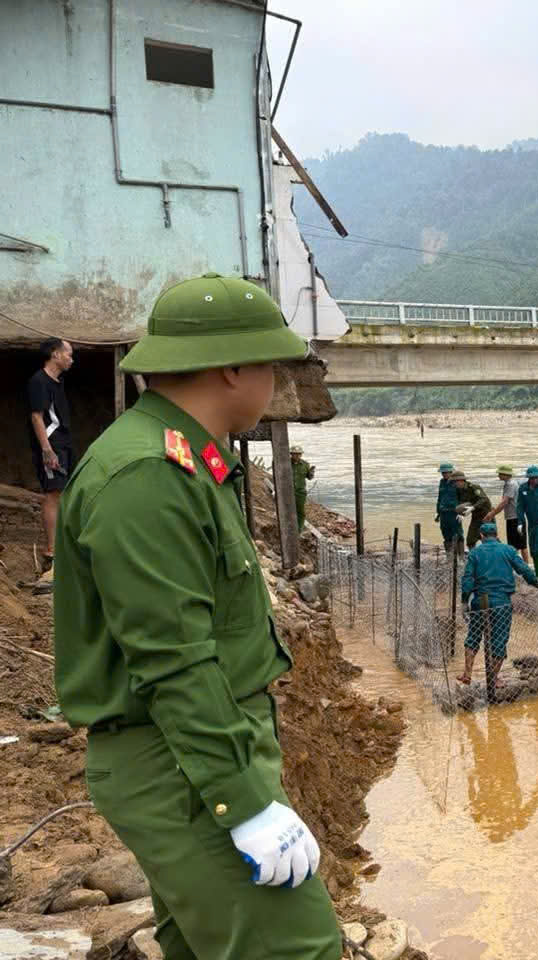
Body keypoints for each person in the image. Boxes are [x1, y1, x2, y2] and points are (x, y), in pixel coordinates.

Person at [53, 274, 340, 959]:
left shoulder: (183, 460)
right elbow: (175, 660)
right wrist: (243, 802)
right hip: (180, 763)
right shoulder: (147, 476)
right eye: (269, 364)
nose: (275, 380)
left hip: (194, 753)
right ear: (231, 368)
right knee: (296, 949)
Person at [459, 521, 538, 690]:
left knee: (473, 637)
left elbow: (467, 579)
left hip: (479, 600)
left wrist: (464, 601)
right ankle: (493, 679)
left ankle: (467, 674)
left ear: (481, 536)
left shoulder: (475, 553)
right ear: (497, 535)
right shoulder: (508, 550)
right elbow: (523, 569)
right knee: (499, 639)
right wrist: (536, 582)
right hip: (501, 602)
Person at [28, 337, 75, 573]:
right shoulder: (39, 381)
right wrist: (47, 450)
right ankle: (51, 551)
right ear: (55, 354)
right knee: (53, 493)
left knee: (63, 491)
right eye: (69, 354)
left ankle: (61, 546)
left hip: (63, 443)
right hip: (51, 446)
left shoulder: (58, 381)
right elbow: (36, 416)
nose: (71, 360)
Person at [486, 465, 526, 560]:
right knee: (520, 544)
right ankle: (523, 564)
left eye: (500, 473)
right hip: (516, 516)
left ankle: (522, 564)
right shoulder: (512, 483)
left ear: (506, 475)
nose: (498, 475)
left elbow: (504, 502)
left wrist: (492, 513)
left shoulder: (510, 484)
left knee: (517, 545)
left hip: (514, 517)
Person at [452, 470, 493, 550]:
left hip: (486, 514)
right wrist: (461, 513)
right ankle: (474, 556)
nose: (454, 484)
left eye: (455, 482)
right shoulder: (459, 490)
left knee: (490, 538)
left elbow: (484, 499)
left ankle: (500, 553)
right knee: (470, 540)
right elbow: (461, 503)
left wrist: (473, 507)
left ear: (461, 481)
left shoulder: (474, 487)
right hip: (476, 515)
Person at [436, 462, 463, 553]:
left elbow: (463, 498)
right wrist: (437, 512)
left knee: (458, 534)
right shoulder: (442, 482)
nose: (444, 474)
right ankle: (449, 555)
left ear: (451, 472)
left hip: (454, 512)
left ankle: (460, 555)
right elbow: (440, 497)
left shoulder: (458, 482)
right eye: (442, 472)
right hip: (443, 512)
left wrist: (462, 513)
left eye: (446, 472)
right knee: (445, 533)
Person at [289, 445, 314, 531]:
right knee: (289, 510)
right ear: (291, 454)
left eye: (299, 454)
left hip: (300, 492)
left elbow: (309, 477)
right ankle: (290, 527)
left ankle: (299, 529)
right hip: (288, 491)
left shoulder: (305, 464)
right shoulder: (286, 463)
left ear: (301, 454)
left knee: (301, 512)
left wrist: (311, 473)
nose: (297, 456)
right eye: (295, 454)